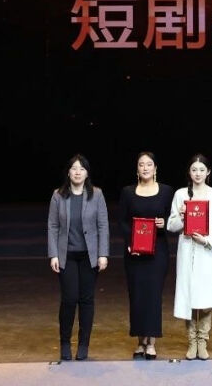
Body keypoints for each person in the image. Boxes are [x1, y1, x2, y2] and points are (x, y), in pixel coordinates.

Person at [47, 154, 110, 361]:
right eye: (74, 168)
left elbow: (103, 225)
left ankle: (84, 345)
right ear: (68, 172)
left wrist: (103, 253)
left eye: (81, 169)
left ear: (87, 173)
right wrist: (53, 254)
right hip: (66, 255)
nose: (77, 172)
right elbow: (53, 226)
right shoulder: (58, 195)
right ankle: (65, 343)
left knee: (86, 300)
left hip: (89, 256)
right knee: (69, 299)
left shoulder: (96, 194)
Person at [167, 153, 212, 360]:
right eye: (194, 170)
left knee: (205, 296)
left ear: (208, 172)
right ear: (189, 172)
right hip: (187, 249)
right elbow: (171, 225)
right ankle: (191, 340)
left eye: (202, 170)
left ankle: (203, 340)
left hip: (206, 250)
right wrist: (182, 217)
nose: (198, 173)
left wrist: (208, 240)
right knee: (188, 296)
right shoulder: (181, 194)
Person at [118, 151, 174, 360]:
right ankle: (140, 341)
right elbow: (122, 221)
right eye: (141, 164)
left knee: (153, 296)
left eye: (149, 164)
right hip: (134, 252)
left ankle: (151, 343)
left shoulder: (166, 191)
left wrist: (164, 223)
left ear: (155, 168)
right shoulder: (127, 192)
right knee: (137, 296)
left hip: (157, 252)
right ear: (137, 169)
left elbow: (174, 218)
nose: (145, 168)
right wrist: (131, 242)